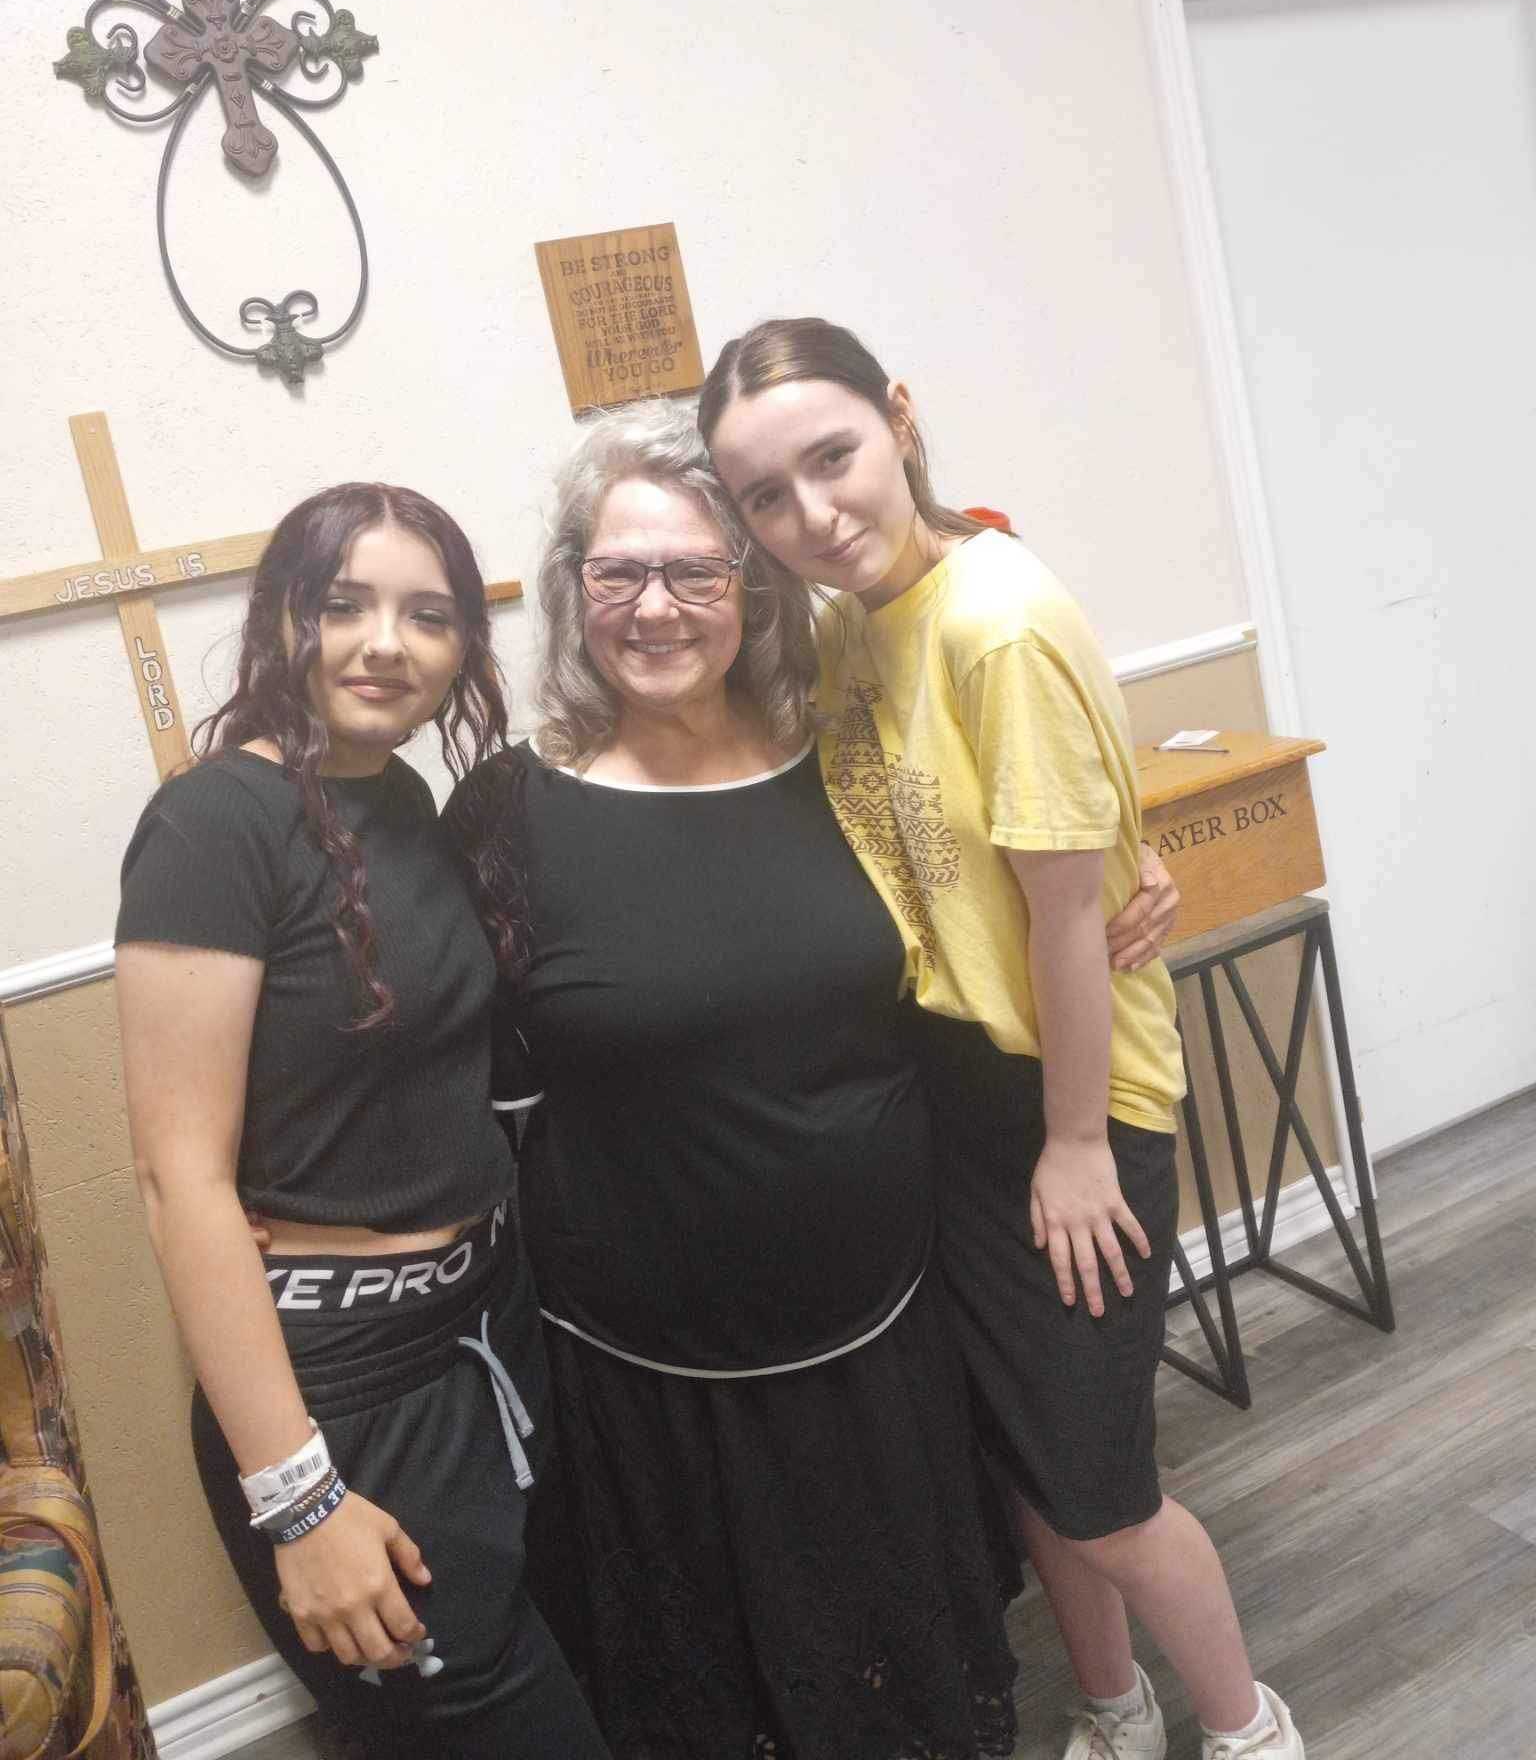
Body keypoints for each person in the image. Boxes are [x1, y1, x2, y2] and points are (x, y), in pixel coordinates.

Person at [701, 319, 1306, 1760]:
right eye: (766, 498)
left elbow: (1061, 921)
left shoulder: (997, 620)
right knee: (1029, 1454)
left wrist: (1080, 1141)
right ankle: (1113, 1707)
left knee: (1101, 1482)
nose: (813, 516)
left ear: (899, 419)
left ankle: (1251, 1727)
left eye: (832, 458)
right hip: (952, 1095)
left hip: (1063, 1096)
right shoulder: (857, 619)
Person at [444, 404, 1021, 1760]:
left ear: (750, 590)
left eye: (698, 570)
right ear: (571, 582)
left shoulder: (848, 757)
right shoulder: (504, 819)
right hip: (647, 1371)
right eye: (620, 571)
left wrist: (1128, 890)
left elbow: (993, 880)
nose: (659, 607)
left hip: (880, 1327)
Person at [114, 484, 608, 1760]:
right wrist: (298, 1498)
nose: (385, 641)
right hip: (347, 1391)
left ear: (463, 651)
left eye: (427, 615)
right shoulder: (215, 822)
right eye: (345, 604)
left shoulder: (401, 804)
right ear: (285, 617)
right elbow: (180, 1183)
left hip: (486, 1326)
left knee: (570, 1674)